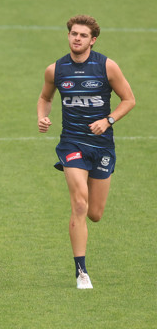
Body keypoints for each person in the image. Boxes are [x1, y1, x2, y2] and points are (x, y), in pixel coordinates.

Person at [37, 15, 135, 289]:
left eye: (82, 35)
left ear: (92, 40)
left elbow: (129, 99)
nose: (76, 38)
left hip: (102, 146)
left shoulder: (107, 67)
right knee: (79, 203)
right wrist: (42, 117)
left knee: (94, 213)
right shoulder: (55, 70)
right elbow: (45, 98)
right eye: (73, 34)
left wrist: (108, 120)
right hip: (71, 143)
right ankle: (81, 272)